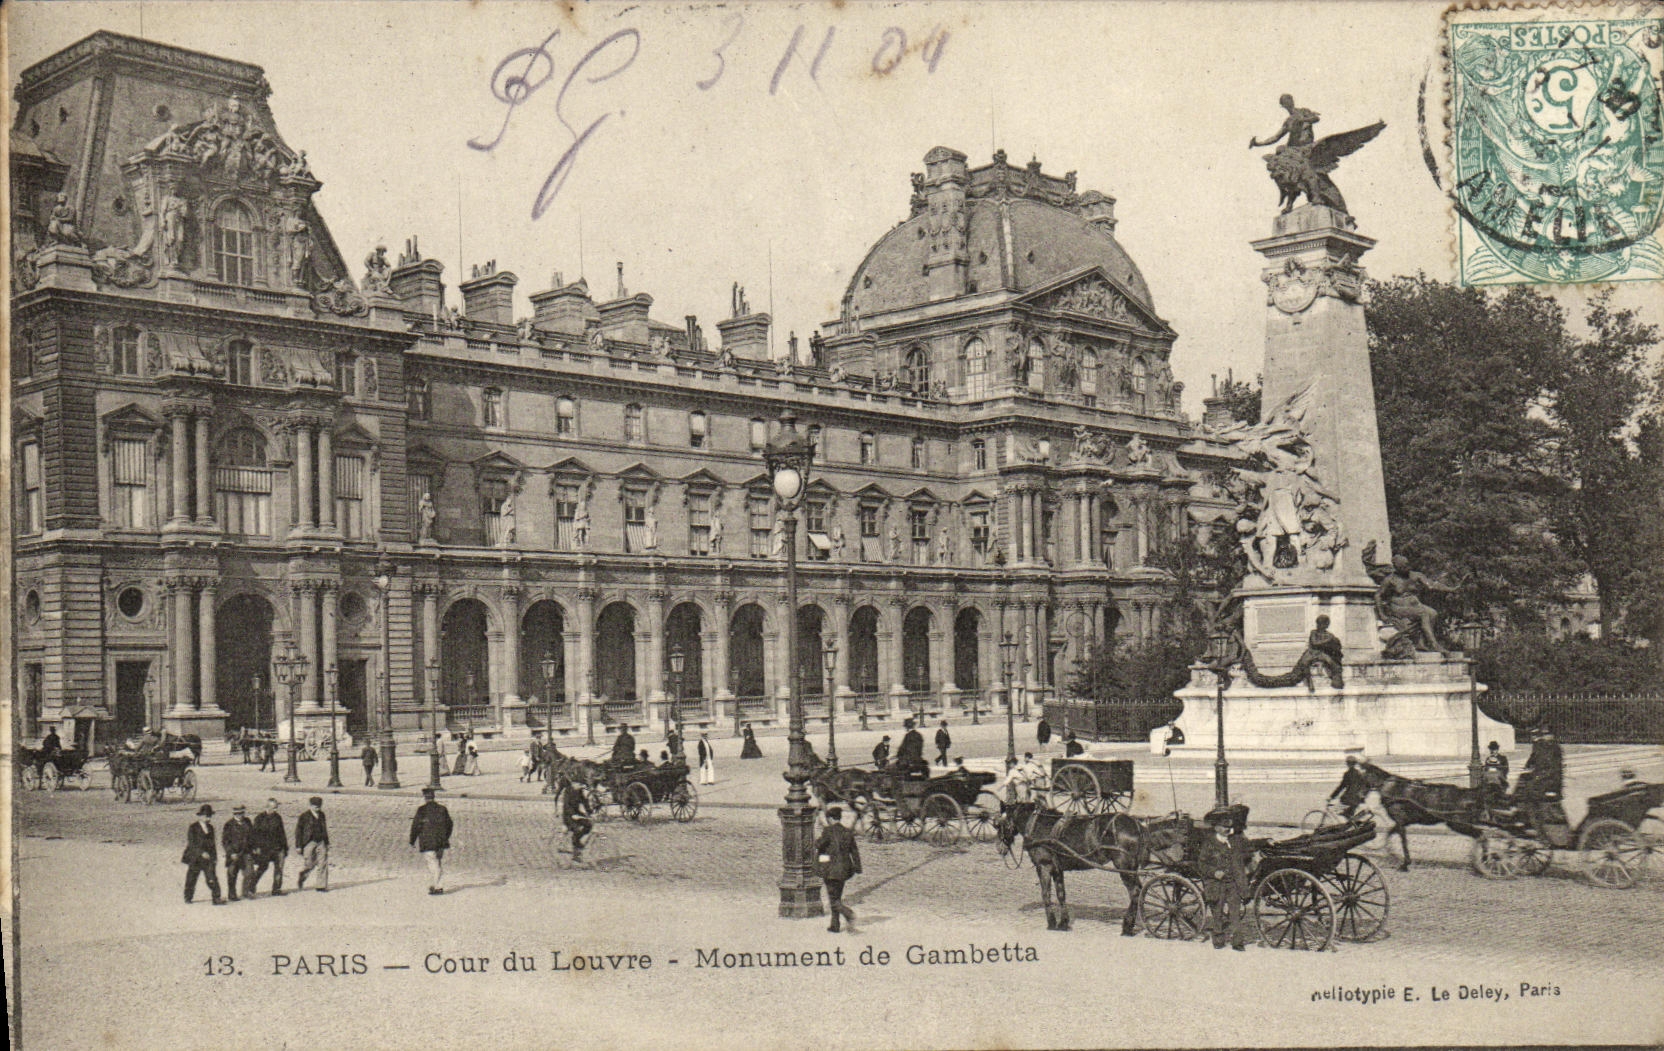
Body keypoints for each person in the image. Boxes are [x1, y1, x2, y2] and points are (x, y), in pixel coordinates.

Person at [1198, 804, 1251, 950]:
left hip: (1233, 884)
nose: (1227, 829)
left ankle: (1237, 943)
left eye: (1229, 826)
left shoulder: (1235, 842)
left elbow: (1242, 861)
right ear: (1216, 827)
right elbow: (1202, 865)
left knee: (1235, 914)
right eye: (1224, 826)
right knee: (1217, 914)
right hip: (1216, 885)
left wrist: (1244, 890)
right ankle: (1218, 940)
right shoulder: (1209, 844)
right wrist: (1214, 872)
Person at [816, 804, 862, 934]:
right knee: (837, 895)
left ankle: (847, 913)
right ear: (839, 818)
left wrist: (817, 840)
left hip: (830, 869)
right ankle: (835, 925)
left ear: (831, 818)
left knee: (833, 898)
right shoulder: (847, 832)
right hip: (844, 869)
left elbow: (819, 845)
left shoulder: (828, 831)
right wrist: (858, 867)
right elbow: (854, 851)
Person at [410, 787, 454, 895]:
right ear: (434, 797)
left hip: (427, 841)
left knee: (432, 863)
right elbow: (450, 824)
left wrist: (412, 840)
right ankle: (435, 884)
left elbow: (416, 826)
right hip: (441, 841)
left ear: (425, 798)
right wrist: (446, 837)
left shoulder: (422, 810)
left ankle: (438, 886)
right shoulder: (442, 809)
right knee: (437, 862)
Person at [182, 804, 225, 905]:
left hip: (208, 858)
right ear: (200, 816)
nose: (208, 818)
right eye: (206, 816)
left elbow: (212, 844)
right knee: (191, 878)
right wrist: (201, 852)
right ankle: (188, 897)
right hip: (195, 858)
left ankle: (216, 898)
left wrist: (214, 858)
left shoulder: (210, 828)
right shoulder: (193, 827)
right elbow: (191, 843)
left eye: (209, 816)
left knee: (212, 878)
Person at [246, 798, 288, 897]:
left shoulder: (278, 818)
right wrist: (256, 847)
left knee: (279, 868)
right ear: (267, 807)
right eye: (274, 808)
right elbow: (254, 834)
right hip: (265, 849)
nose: (275, 810)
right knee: (262, 867)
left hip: (278, 848)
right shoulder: (259, 818)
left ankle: (276, 889)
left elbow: (282, 833)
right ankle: (251, 888)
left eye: (276, 807)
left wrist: (285, 848)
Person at [1514, 728, 1563, 807]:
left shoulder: (1553, 747)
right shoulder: (1541, 745)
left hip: (1548, 778)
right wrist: (1528, 768)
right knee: (1524, 780)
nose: (1533, 737)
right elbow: (1533, 758)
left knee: (1530, 786)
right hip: (1542, 775)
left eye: (1547, 735)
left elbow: (1554, 768)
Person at [294, 796, 330, 892]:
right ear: (310, 806)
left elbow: (324, 829)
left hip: (321, 842)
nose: (318, 808)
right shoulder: (304, 816)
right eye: (315, 806)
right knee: (309, 863)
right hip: (309, 842)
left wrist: (327, 842)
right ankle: (303, 874)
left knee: (323, 863)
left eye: (319, 806)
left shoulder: (322, 815)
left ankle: (321, 886)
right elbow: (298, 831)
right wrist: (298, 846)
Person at [222, 804, 254, 903]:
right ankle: (232, 894)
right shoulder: (228, 825)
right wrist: (231, 853)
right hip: (234, 853)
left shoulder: (248, 822)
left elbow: (252, 836)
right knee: (232, 874)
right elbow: (225, 841)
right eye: (237, 814)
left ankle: (245, 891)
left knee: (249, 872)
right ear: (233, 814)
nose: (239, 815)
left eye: (241, 813)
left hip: (246, 852)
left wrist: (254, 847)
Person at [1328, 752, 1370, 819]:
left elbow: (1341, 787)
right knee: (1349, 816)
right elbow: (1365, 785)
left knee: (1336, 809)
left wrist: (1331, 796)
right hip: (1357, 799)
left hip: (1347, 799)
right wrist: (1362, 797)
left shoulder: (1347, 774)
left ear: (1347, 764)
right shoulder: (1359, 773)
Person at [562, 781, 594, 862]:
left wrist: (590, 812)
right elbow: (566, 805)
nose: (580, 787)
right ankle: (575, 851)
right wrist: (573, 814)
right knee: (577, 829)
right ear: (574, 784)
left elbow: (585, 802)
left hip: (577, 814)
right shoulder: (567, 791)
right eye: (579, 785)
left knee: (588, 825)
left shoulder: (579, 791)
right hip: (568, 816)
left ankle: (577, 841)